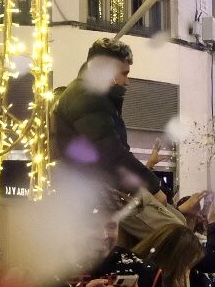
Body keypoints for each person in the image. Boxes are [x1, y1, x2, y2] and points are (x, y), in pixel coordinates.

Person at [50, 38, 161, 196]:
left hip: (86, 196)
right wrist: (153, 188)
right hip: (87, 200)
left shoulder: (90, 96)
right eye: (124, 74)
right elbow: (112, 155)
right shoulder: (87, 96)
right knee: (171, 220)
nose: (127, 81)